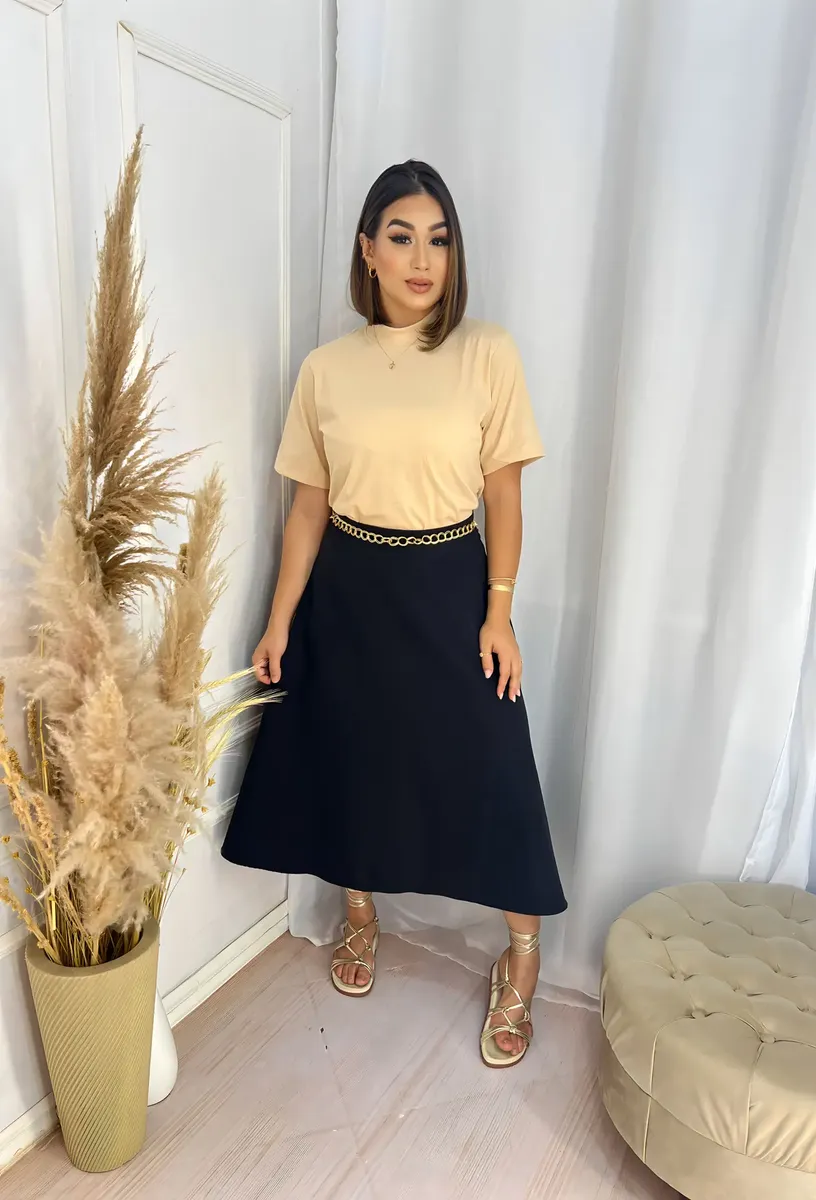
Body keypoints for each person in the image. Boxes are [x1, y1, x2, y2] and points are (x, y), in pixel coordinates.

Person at [221, 160, 566, 1068]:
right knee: (355, 758)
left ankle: (523, 954)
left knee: (493, 771)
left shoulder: (486, 352)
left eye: (439, 240)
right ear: (367, 251)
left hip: (451, 584)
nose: (422, 260)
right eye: (402, 238)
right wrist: (279, 620)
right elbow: (307, 508)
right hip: (347, 590)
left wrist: (499, 612)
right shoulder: (326, 369)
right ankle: (359, 913)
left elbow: (504, 496)